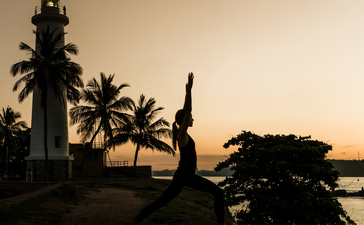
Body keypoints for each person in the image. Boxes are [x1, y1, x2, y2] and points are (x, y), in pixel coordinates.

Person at [126, 73, 225, 225]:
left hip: (181, 175)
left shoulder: (182, 135)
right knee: (219, 192)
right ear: (184, 120)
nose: (193, 119)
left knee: (161, 201)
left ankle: (133, 222)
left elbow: (188, 113)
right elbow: (188, 110)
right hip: (185, 175)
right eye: (190, 118)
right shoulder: (182, 134)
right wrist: (189, 91)